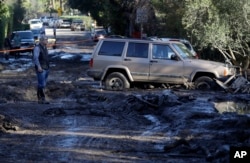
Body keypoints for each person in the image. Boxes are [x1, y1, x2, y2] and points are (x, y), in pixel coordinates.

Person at [33, 35, 50, 104]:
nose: (47, 41)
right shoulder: (37, 48)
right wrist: (39, 67)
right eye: (46, 39)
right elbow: (35, 58)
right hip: (41, 68)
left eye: (47, 39)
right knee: (42, 84)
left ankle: (40, 99)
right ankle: (42, 98)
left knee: (43, 84)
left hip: (46, 68)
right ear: (42, 40)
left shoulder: (45, 47)